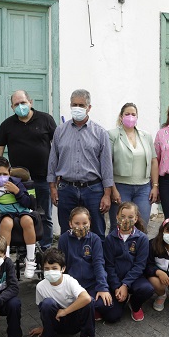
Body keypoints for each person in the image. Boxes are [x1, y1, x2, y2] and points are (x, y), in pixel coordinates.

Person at [0, 90, 57, 249]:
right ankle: (24, 249)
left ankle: (45, 248)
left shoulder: (46, 120)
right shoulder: (7, 125)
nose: (20, 106)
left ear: (30, 102)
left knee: (44, 215)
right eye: (16, 104)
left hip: (44, 178)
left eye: (23, 103)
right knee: (21, 214)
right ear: (11, 107)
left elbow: (58, 146)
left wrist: (58, 172)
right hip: (19, 182)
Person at [47, 89, 114, 238]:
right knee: (67, 231)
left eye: (81, 105)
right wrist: (52, 187)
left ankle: (97, 260)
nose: (77, 108)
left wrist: (107, 194)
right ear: (70, 105)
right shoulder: (60, 131)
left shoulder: (100, 133)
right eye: (74, 104)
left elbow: (107, 166)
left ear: (89, 107)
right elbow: (53, 161)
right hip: (66, 188)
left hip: (93, 189)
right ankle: (67, 260)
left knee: (97, 231)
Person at [29, 249, 101, 337]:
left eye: (54, 268)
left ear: (63, 269)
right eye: (47, 269)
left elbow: (86, 298)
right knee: (47, 303)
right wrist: (45, 327)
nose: (50, 272)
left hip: (75, 321)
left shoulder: (70, 281)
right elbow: (42, 310)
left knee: (88, 302)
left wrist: (65, 311)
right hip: (57, 322)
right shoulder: (40, 287)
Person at [0, 156, 38, 279]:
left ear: (9, 173)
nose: (2, 177)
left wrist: (17, 191)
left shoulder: (17, 183)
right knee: (6, 222)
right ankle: (6, 260)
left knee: (28, 220)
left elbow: (28, 203)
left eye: (5, 174)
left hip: (22, 211)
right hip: (5, 213)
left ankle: (30, 259)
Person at [57, 207, 121, 323]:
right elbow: (61, 264)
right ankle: (87, 308)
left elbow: (99, 264)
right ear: (70, 224)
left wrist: (102, 287)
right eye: (77, 223)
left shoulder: (95, 239)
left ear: (90, 223)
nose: (81, 227)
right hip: (73, 285)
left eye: (85, 223)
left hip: (92, 284)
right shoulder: (63, 239)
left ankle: (91, 307)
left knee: (113, 314)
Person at [108, 102, 158, 232]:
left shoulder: (145, 136)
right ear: (121, 116)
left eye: (133, 114)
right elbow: (107, 163)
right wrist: (113, 189)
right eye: (127, 114)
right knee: (119, 226)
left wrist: (155, 186)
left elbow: (153, 161)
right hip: (120, 187)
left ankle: (139, 252)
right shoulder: (112, 135)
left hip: (143, 188)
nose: (130, 117)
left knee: (141, 225)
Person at [104, 202, 154, 321]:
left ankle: (135, 305)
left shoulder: (142, 239)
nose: (126, 220)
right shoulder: (110, 239)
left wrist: (125, 284)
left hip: (135, 279)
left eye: (130, 217)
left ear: (136, 219)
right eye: (122, 216)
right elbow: (109, 266)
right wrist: (117, 286)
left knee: (147, 289)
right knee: (112, 317)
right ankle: (120, 298)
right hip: (116, 280)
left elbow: (140, 265)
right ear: (117, 217)